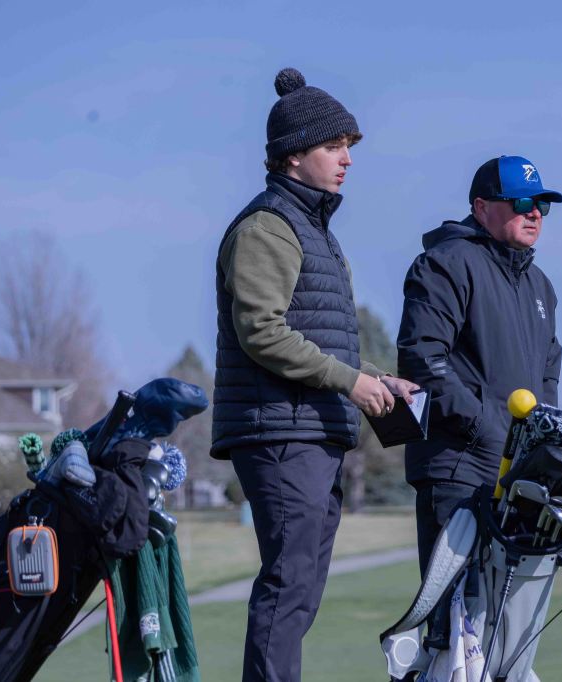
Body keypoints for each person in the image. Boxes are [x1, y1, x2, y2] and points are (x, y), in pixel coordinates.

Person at [211, 67, 418, 682]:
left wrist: (378, 377)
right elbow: (263, 333)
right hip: (278, 432)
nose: (347, 159)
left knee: (299, 588)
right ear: (294, 155)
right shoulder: (267, 227)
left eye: (349, 146)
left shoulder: (314, 230)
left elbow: (318, 335)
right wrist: (352, 384)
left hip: (310, 429)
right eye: (334, 147)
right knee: (289, 582)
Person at [397, 155, 562, 576]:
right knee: (455, 626)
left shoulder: (540, 284)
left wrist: (542, 446)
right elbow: (422, 360)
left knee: (507, 624)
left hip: (518, 480)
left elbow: (549, 371)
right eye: (521, 202)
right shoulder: (445, 264)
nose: (533, 214)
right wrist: (489, 429)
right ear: (481, 207)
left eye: (541, 205)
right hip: (459, 471)